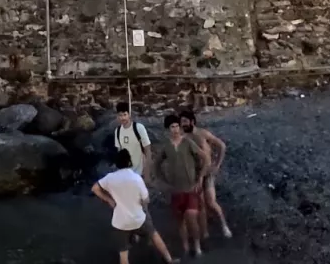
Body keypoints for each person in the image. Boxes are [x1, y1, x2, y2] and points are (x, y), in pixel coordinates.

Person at [93, 146, 176, 263]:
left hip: (120, 222)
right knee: (154, 234)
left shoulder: (110, 178)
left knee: (123, 254)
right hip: (138, 219)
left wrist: (109, 200)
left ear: (116, 163)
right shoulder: (136, 178)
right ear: (129, 161)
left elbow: (95, 188)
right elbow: (146, 200)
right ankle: (169, 259)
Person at [153, 114, 208, 257]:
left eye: (177, 126)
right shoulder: (166, 146)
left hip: (191, 188)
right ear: (168, 129)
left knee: (191, 217)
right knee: (180, 221)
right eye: (172, 127)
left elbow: (204, 158)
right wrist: (163, 182)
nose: (175, 129)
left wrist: (200, 177)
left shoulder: (188, 142)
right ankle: (185, 247)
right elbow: (156, 165)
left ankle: (197, 246)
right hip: (175, 190)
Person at [178, 110, 231, 240]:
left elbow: (222, 146)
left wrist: (217, 164)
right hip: (195, 175)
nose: (182, 125)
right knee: (201, 204)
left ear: (192, 121)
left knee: (211, 202)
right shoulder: (184, 138)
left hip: (207, 173)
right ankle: (205, 233)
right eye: (181, 123)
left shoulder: (203, 134)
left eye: (185, 122)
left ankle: (224, 225)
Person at [113, 104, 151, 171]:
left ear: (129, 115)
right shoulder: (117, 130)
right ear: (117, 116)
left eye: (125, 115)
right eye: (120, 115)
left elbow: (147, 149)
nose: (123, 118)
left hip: (140, 170)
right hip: (126, 171)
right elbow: (119, 150)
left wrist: (147, 170)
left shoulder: (139, 128)